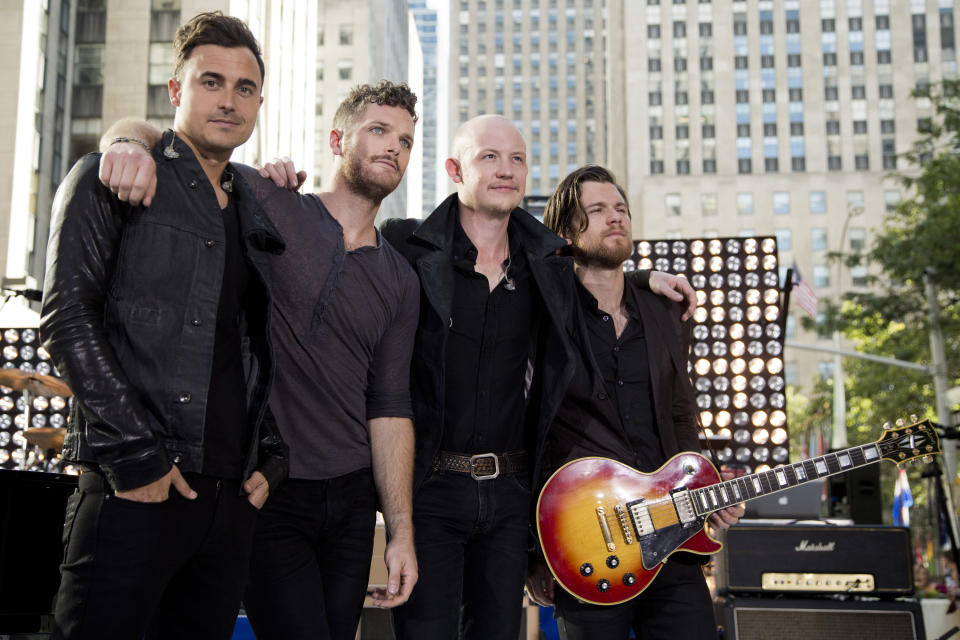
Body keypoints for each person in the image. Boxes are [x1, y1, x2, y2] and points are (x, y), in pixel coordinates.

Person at [95, 81, 421, 639]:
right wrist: (126, 142)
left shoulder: (401, 279)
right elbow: (183, 150)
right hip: (267, 486)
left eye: (406, 140)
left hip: (350, 498)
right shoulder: (270, 202)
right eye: (379, 130)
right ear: (337, 138)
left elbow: (388, 405)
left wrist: (400, 530)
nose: (394, 146)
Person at [380, 117, 699, 640]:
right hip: (433, 488)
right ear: (455, 169)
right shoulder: (409, 248)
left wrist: (642, 280)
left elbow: (600, 268)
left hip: (510, 495)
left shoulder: (542, 264)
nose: (506, 170)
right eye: (489, 157)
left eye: (518, 159)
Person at [40, 12, 287, 640]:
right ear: (176, 91)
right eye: (211, 82)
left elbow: (265, 345)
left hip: (229, 500)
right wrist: (136, 459)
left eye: (245, 88)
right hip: (136, 488)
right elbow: (67, 318)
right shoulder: (110, 178)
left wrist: (272, 460)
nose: (228, 101)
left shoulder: (258, 213)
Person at [526, 165, 744, 640]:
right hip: (586, 539)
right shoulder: (542, 309)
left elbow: (681, 411)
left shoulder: (666, 313)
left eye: (620, 209)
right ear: (566, 232)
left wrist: (704, 482)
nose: (615, 219)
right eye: (597, 211)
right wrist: (536, 550)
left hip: (673, 533)